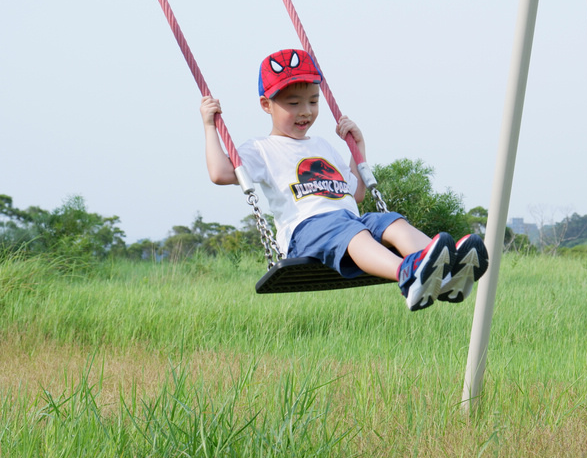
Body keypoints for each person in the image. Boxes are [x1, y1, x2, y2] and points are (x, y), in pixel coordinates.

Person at [201, 48, 487, 310]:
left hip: (348, 220)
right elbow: (220, 173)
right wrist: (210, 126)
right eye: (293, 103)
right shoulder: (261, 149)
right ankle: (409, 273)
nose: (306, 111)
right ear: (266, 105)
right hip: (307, 229)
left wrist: (358, 148)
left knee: (391, 221)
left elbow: (356, 194)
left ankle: (445, 271)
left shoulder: (323, 146)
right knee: (353, 232)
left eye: (313, 101)